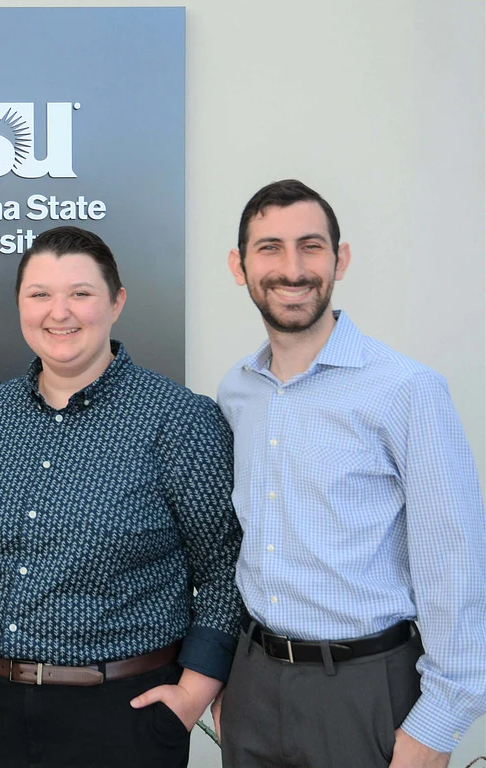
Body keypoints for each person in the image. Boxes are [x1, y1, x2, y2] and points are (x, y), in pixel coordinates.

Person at [0, 225, 242, 768]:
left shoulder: (177, 420)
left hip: (123, 716)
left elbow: (224, 570)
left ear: (116, 301)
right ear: (19, 306)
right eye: (40, 295)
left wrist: (192, 694)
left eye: (81, 293)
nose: (60, 312)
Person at [216, 179, 486, 768]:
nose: (292, 268)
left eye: (311, 246)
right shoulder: (237, 390)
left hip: (367, 690)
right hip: (254, 685)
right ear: (240, 267)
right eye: (270, 248)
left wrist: (438, 726)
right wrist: (231, 686)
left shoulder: (407, 390)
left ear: (340, 258)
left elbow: (457, 564)